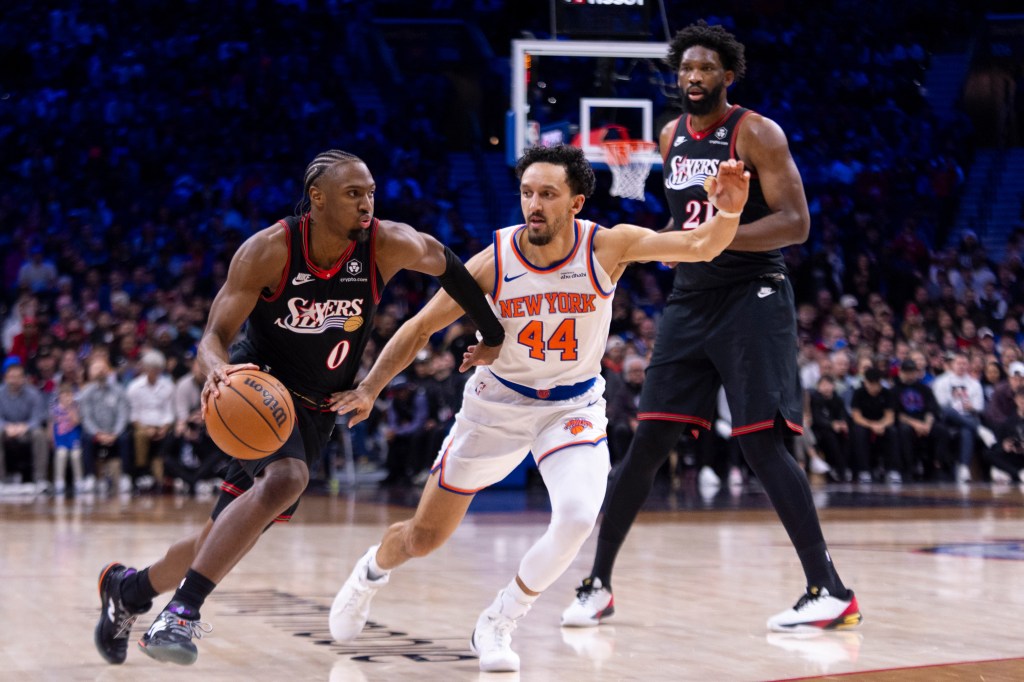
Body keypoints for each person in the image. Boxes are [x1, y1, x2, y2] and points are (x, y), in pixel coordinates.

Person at [326, 145, 749, 673]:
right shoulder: (494, 261)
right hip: (496, 406)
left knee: (575, 516)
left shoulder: (608, 246)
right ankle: (369, 572)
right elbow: (419, 328)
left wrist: (728, 210)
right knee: (423, 538)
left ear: (575, 203)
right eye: (527, 192)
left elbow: (702, 245)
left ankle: (501, 619)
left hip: (571, 407)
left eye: (547, 194)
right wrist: (369, 388)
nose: (534, 204)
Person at [93, 150, 505, 667]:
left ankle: (128, 591)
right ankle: (181, 614)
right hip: (258, 394)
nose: (367, 204)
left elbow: (450, 267)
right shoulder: (269, 250)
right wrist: (217, 369)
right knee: (287, 479)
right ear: (317, 198)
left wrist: (492, 333)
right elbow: (213, 337)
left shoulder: (385, 243)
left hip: (317, 408)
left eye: (371, 192)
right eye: (354, 194)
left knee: (220, 534)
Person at [562, 20, 861, 633]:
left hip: (752, 292)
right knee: (647, 442)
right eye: (685, 70)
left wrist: (711, 240)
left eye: (705, 70)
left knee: (760, 441)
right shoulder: (670, 134)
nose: (693, 78)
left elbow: (795, 222)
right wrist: (688, 246)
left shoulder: (756, 133)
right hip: (691, 298)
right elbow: (681, 225)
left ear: (728, 75)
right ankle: (597, 584)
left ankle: (829, 590)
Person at [931, 351, 985, 483]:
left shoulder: (974, 383)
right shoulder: (941, 381)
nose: (961, 366)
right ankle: (980, 430)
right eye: (958, 363)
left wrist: (971, 407)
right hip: (947, 419)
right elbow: (940, 405)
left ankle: (964, 468)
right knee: (949, 411)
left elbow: (979, 407)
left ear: (968, 365)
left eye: (964, 363)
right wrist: (958, 407)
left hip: (967, 417)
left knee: (966, 430)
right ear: (952, 365)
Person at [849, 367, 900, 483]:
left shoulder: (887, 393)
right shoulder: (858, 393)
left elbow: (890, 416)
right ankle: (864, 470)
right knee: (859, 431)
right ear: (865, 382)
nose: (874, 387)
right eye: (871, 384)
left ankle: (892, 470)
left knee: (892, 431)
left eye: (877, 384)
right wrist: (872, 425)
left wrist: (881, 425)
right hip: (865, 424)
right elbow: (856, 417)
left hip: (882, 424)